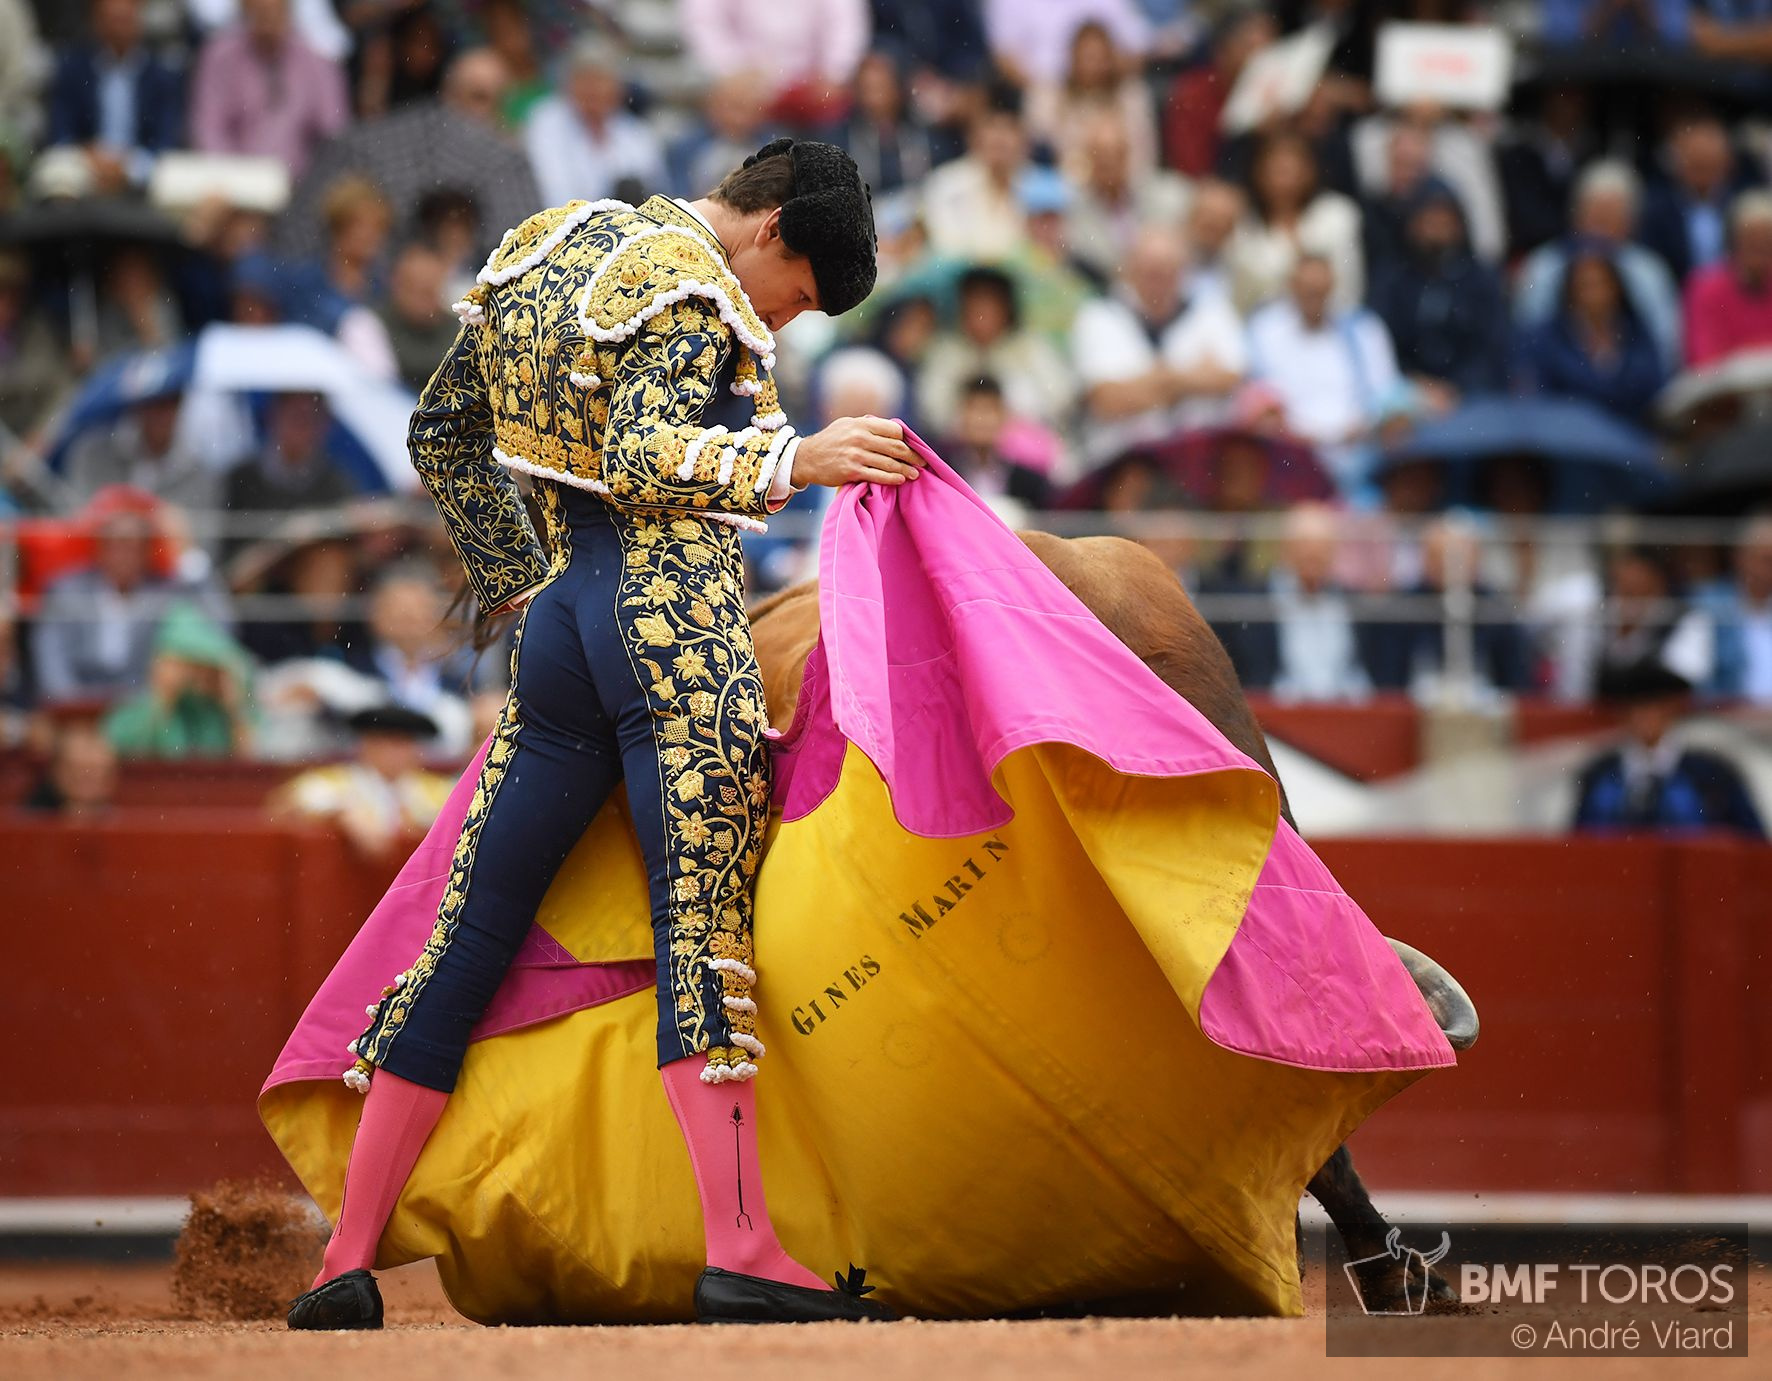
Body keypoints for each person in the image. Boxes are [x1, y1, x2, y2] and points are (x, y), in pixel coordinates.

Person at [287, 138, 911, 1331]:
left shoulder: (549, 242)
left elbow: (443, 434)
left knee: (466, 936)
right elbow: (639, 453)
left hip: (563, 630)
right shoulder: (694, 281)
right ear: (770, 228)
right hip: (672, 627)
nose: (779, 320)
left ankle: (345, 1259)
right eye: (792, 296)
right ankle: (742, 1249)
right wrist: (798, 455)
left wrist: (520, 587)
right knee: (705, 937)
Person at [1070, 224, 1246, 469]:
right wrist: (1191, 378)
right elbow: (1107, 401)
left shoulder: (1211, 310)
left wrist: (1151, 381)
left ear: (1182, 271)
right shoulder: (1100, 315)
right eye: (1150, 270)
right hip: (1121, 465)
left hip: (1198, 464)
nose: (1159, 279)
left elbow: (1230, 378)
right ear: (1130, 269)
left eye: (1167, 270)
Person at [1246, 254, 1400, 493]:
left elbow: (1388, 394)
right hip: (1288, 460)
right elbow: (1257, 394)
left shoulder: (1363, 329)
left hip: (1359, 458)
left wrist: (1368, 423)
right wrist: (1289, 433)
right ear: (1291, 286)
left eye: (1320, 290)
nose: (1313, 297)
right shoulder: (1266, 329)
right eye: (1307, 290)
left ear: (1332, 286)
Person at [1513, 160, 1683, 374]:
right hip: (1559, 384)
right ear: (1576, 216)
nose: (1602, 227)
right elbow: (1528, 337)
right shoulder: (1544, 265)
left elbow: (1666, 345)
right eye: (1596, 215)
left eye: (1612, 216)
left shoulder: (1649, 270)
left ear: (1630, 222)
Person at [1572, 660, 1766, 839]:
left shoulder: (1712, 775)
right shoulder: (1599, 775)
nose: (1646, 716)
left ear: (1673, 708)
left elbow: (1751, 843)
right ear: (1623, 713)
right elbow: (1579, 845)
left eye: (1655, 705)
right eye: (1637, 706)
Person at [1210, 502, 1374, 703]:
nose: (1313, 555)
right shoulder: (1254, 604)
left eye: (1322, 547)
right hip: (1275, 718)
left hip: (1347, 716)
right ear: (1285, 548)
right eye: (1304, 545)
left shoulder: (1352, 603)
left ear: (1334, 552)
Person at [1368, 178, 1510, 407]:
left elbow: (1493, 347)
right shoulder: (1391, 278)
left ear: (1459, 225)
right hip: (1405, 394)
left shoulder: (1482, 278)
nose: (1436, 228)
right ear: (1411, 224)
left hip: (1471, 396)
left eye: (1445, 220)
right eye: (1428, 220)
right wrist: (1416, 384)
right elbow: (1377, 343)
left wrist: (1456, 388)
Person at [189, 0, 349, 180]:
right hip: (233, 187)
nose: (267, 17)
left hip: (302, 186)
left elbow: (334, 132)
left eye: (274, 9)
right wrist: (235, 180)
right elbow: (208, 130)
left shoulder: (318, 63)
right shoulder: (218, 58)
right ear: (244, 9)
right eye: (259, 11)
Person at [268, 704, 455, 857]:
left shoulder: (437, 790)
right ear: (365, 745)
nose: (396, 753)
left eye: (404, 743)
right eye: (385, 742)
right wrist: (343, 813)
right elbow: (288, 804)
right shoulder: (334, 782)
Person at [1516, 243, 1667, 425]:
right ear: (1570, 291)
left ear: (1616, 288)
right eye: (1585, 286)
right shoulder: (1546, 339)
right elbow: (1539, 396)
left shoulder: (1637, 334)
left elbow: (1655, 391)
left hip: (1633, 435)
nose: (1594, 294)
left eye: (1601, 284)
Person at [44, 0, 183, 194]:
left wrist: (129, 165)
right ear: (96, 22)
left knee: (171, 174)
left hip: (140, 171)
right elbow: (60, 131)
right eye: (112, 20)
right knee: (56, 171)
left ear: (138, 20)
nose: (118, 29)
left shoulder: (160, 76)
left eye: (124, 20)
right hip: (85, 167)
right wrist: (88, 156)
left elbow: (166, 139)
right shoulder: (73, 69)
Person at [1228, 129, 1364, 315]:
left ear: (1309, 171)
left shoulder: (1337, 215)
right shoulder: (1244, 227)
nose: (1285, 182)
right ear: (1258, 173)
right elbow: (1242, 298)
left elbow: (1349, 288)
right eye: (1276, 171)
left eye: (1292, 170)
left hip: (1332, 328)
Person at [522, 37, 666, 210]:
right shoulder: (546, 122)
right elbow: (552, 193)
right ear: (569, 84)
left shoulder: (635, 133)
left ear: (617, 88)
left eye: (601, 80)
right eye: (585, 80)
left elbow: (655, 194)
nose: (593, 89)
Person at [103, 603, 253, 759]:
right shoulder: (131, 713)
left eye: (202, 666)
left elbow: (252, 766)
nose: (195, 676)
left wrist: (235, 710)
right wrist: (163, 700)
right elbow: (129, 754)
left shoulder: (218, 716)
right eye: (185, 664)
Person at [1682, 191, 1772, 368]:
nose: (1760, 252)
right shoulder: (1705, 288)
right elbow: (1705, 360)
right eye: (1752, 242)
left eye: (1767, 243)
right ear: (1733, 242)